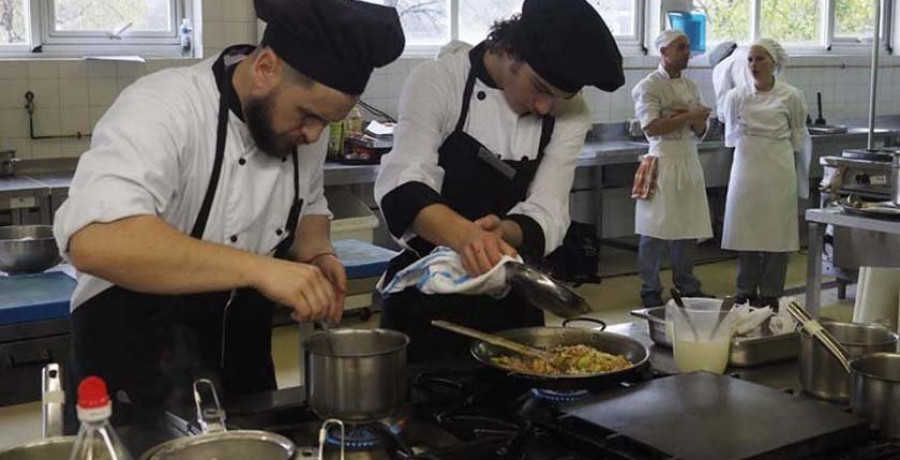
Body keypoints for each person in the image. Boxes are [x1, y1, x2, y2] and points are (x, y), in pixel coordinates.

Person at [53, 0, 404, 424]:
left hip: (244, 369)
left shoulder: (303, 132)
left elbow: (309, 205)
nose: (314, 136)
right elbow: (95, 240)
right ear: (266, 68)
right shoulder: (163, 107)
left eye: (326, 123)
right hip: (134, 370)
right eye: (308, 116)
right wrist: (260, 270)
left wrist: (318, 254)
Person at [373, 0, 624, 363]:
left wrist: (504, 232)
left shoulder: (570, 114)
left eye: (557, 98)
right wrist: (468, 238)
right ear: (508, 50)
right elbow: (404, 180)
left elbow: (549, 207)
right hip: (425, 298)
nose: (543, 107)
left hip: (511, 298)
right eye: (538, 88)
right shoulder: (439, 80)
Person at [721, 38, 809, 308]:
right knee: (745, 232)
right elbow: (730, 135)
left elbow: (798, 136)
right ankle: (744, 291)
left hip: (778, 170)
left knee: (776, 235)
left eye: (760, 59)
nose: (754, 64)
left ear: (774, 63)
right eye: (750, 59)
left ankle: (771, 293)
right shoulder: (736, 97)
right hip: (746, 170)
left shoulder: (791, 96)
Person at [631, 29, 714, 308]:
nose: (687, 52)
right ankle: (650, 288)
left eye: (688, 47)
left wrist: (696, 120)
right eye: (681, 47)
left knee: (687, 228)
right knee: (654, 230)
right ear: (664, 52)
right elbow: (652, 127)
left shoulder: (691, 86)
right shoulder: (649, 86)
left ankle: (687, 284)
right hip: (663, 162)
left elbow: (700, 128)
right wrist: (689, 116)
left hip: (689, 160)